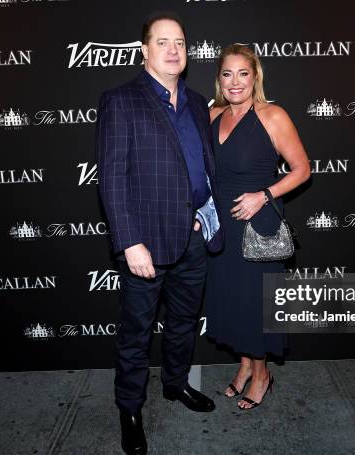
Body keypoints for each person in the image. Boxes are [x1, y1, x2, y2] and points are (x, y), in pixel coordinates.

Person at [95, 13, 223, 455]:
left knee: (184, 324)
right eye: (163, 42)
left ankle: (175, 385)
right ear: (145, 50)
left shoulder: (198, 102)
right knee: (136, 333)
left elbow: (203, 168)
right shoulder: (121, 100)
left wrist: (207, 215)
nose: (173, 49)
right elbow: (112, 178)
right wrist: (130, 242)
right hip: (146, 243)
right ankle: (129, 410)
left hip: (193, 237)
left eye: (180, 42)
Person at [206, 44, 311, 410]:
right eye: (227, 73)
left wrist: (263, 195)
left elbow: (302, 169)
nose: (235, 82)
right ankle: (245, 365)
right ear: (219, 78)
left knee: (254, 305)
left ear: (255, 76)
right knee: (233, 302)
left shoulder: (272, 115)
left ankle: (262, 375)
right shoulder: (213, 114)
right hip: (222, 226)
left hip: (257, 226)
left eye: (243, 73)